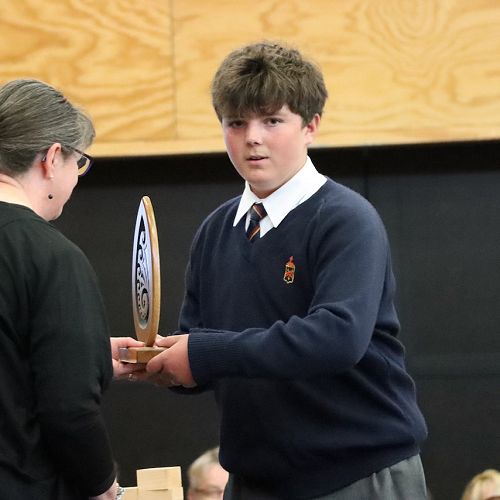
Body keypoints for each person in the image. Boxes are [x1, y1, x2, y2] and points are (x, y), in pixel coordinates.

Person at [146, 41, 428, 499]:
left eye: (272, 121)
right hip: (254, 480)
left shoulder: (345, 219)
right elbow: (204, 348)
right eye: (236, 123)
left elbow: (337, 337)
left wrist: (203, 354)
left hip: (357, 475)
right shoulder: (215, 230)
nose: (252, 137)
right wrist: (161, 362)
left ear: (310, 126)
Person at [0, 78, 142, 499]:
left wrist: (87, 355)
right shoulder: (51, 257)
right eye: (77, 163)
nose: (76, 178)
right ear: (51, 158)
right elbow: (69, 411)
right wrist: (104, 487)